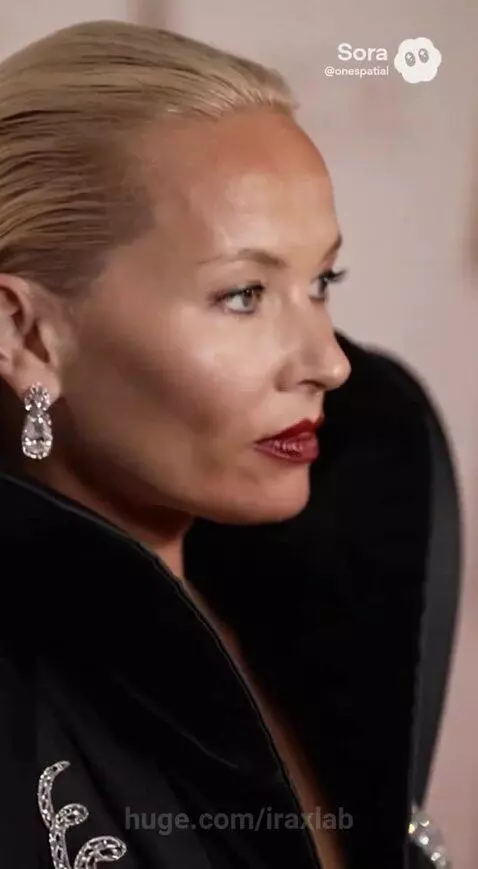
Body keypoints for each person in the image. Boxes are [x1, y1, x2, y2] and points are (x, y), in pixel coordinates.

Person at [0, 19, 432, 869]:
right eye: (243, 294)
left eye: (322, 283)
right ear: (27, 336)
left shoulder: (308, 600)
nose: (331, 363)